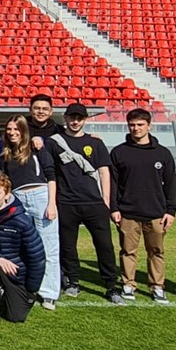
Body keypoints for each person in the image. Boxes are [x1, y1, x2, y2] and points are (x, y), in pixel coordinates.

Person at [49, 103, 122, 305]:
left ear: (85, 119)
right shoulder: (54, 143)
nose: (75, 121)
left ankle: (110, 285)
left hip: (93, 203)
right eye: (72, 117)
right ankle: (73, 281)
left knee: (105, 245)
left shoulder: (95, 143)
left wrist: (105, 200)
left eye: (79, 118)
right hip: (66, 202)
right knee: (68, 245)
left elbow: (104, 172)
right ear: (65, 118)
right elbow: (51, 174)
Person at [110, 108, 176, 304]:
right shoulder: (119, 152)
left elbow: (171, 184)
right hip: (127, 213)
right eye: (132, 125)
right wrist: (114, 208)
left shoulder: (162, 154)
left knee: (156, 251)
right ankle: (128, 284)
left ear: (149, 126)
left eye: (140, 125)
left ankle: (157, 286)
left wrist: (171, 211)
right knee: (128, 251)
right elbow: (113, 184)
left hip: (156, 213)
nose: (136, 128)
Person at [0, 115, 60, 310]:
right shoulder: (5, 154)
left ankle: (49, 293)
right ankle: (25, 286)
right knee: (22, 247)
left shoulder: (36, 148)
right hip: (18, 200)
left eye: (16, 129)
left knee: (48, 247)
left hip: (40, 196)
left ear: (24, 131)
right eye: (9, 129)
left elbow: (51, 175)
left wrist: (52, 204)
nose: (12, 133)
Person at [0, 172, 46, 328]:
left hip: (16, 272)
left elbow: (37, 257)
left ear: (7, 195)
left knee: (16, 317)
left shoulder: (22, 220)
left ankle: (4, 290)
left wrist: (32, 290)